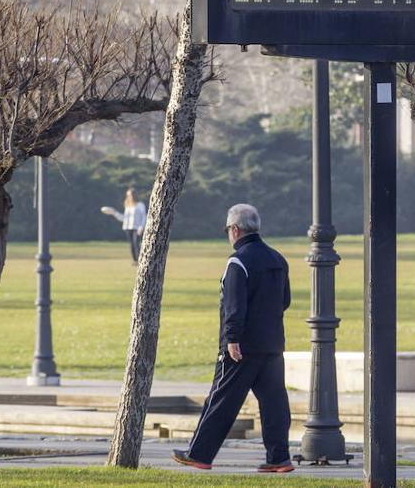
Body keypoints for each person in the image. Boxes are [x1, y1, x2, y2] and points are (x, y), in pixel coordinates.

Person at [172, 204, 294, 473]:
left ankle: (199, 454)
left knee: (221, 400)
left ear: (235, 229)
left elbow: (234, 306)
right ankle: (279, 458)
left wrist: (232, 339)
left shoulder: (238, 261)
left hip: (242, 347)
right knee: (274, 403)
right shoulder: (277, 259)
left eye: (228, 230)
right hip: (272, 344)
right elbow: (284, 300)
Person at [101, 188, 146, 264]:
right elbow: (123, 218)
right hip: (128, 227)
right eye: (127, 195)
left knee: (136, 243)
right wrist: (114, 213)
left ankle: (141, 260)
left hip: (137, 228)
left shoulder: (140, 205)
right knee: (131, 244)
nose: (128, 196)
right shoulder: (128, 206)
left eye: (130, 195)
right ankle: (135, 260)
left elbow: (143, 216)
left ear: (134, 195)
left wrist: (141, 227)